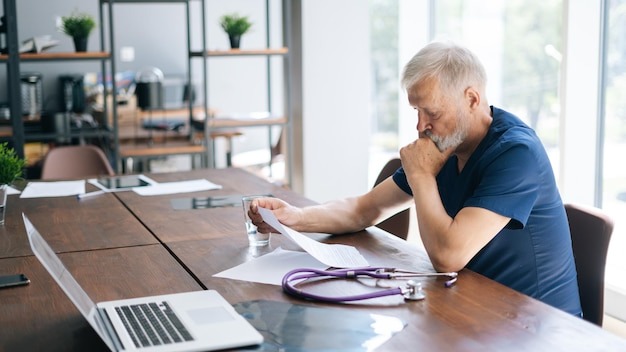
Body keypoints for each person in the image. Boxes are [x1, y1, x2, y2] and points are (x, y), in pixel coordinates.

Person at [249, 41, 582, 316]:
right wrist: (295, 217)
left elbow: (449, 256)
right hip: (473, 307)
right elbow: (363, 209)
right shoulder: (446, 143)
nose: (421, 126)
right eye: (416, 112)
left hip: (537, 324)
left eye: (432, 113)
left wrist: (421, 175)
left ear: (471, 99)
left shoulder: (515, 153)